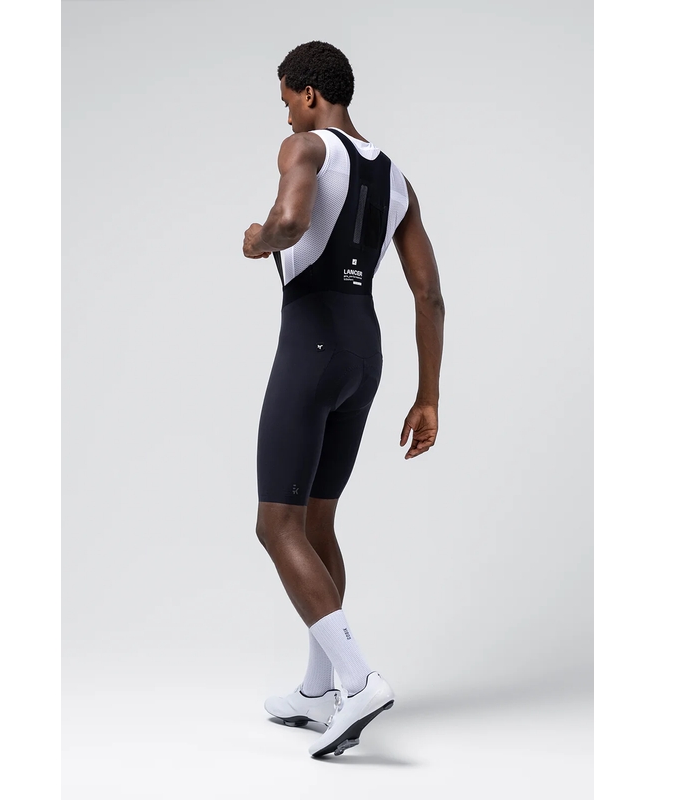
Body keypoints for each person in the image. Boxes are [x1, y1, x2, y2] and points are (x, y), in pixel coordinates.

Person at [242, 40, 445, 758]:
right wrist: (428, 395)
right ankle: (315, 689)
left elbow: (291, 223)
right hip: (366, 354)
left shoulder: (305, 148)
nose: (287, 118)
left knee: (276, 525)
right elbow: (429, 294)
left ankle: (358, 681)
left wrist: (257, 240)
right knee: (317, 521)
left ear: (308, 93)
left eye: (287, 102)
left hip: (312, 347)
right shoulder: (398, 178)